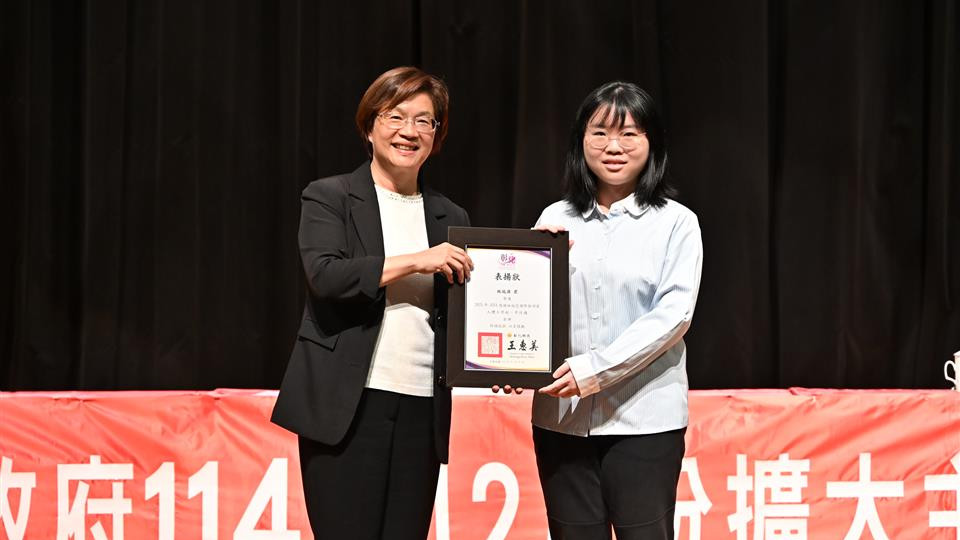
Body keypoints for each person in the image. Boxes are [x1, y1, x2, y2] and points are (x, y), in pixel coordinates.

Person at [271, 66, 473, 539]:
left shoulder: (451, 216)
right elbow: (326, 276)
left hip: (421, 405)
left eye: (424, 121)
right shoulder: (330, 197)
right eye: (395, 116)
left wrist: (500, 366)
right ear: (369, 126)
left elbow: (467, 311)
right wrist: (417, 260)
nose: (409, 131)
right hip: (349, 405)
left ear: (437, 135)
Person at [529, 82, 703, 539]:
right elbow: (526, 307)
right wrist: (510, 363)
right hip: (562, 421)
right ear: (580, 140)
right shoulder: (554, 219)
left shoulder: (677, 223)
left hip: (645, 421)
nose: (613, 146)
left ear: (652, 143)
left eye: (629, 134)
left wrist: (594, 370)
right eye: (600, 132)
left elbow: (674, 315)